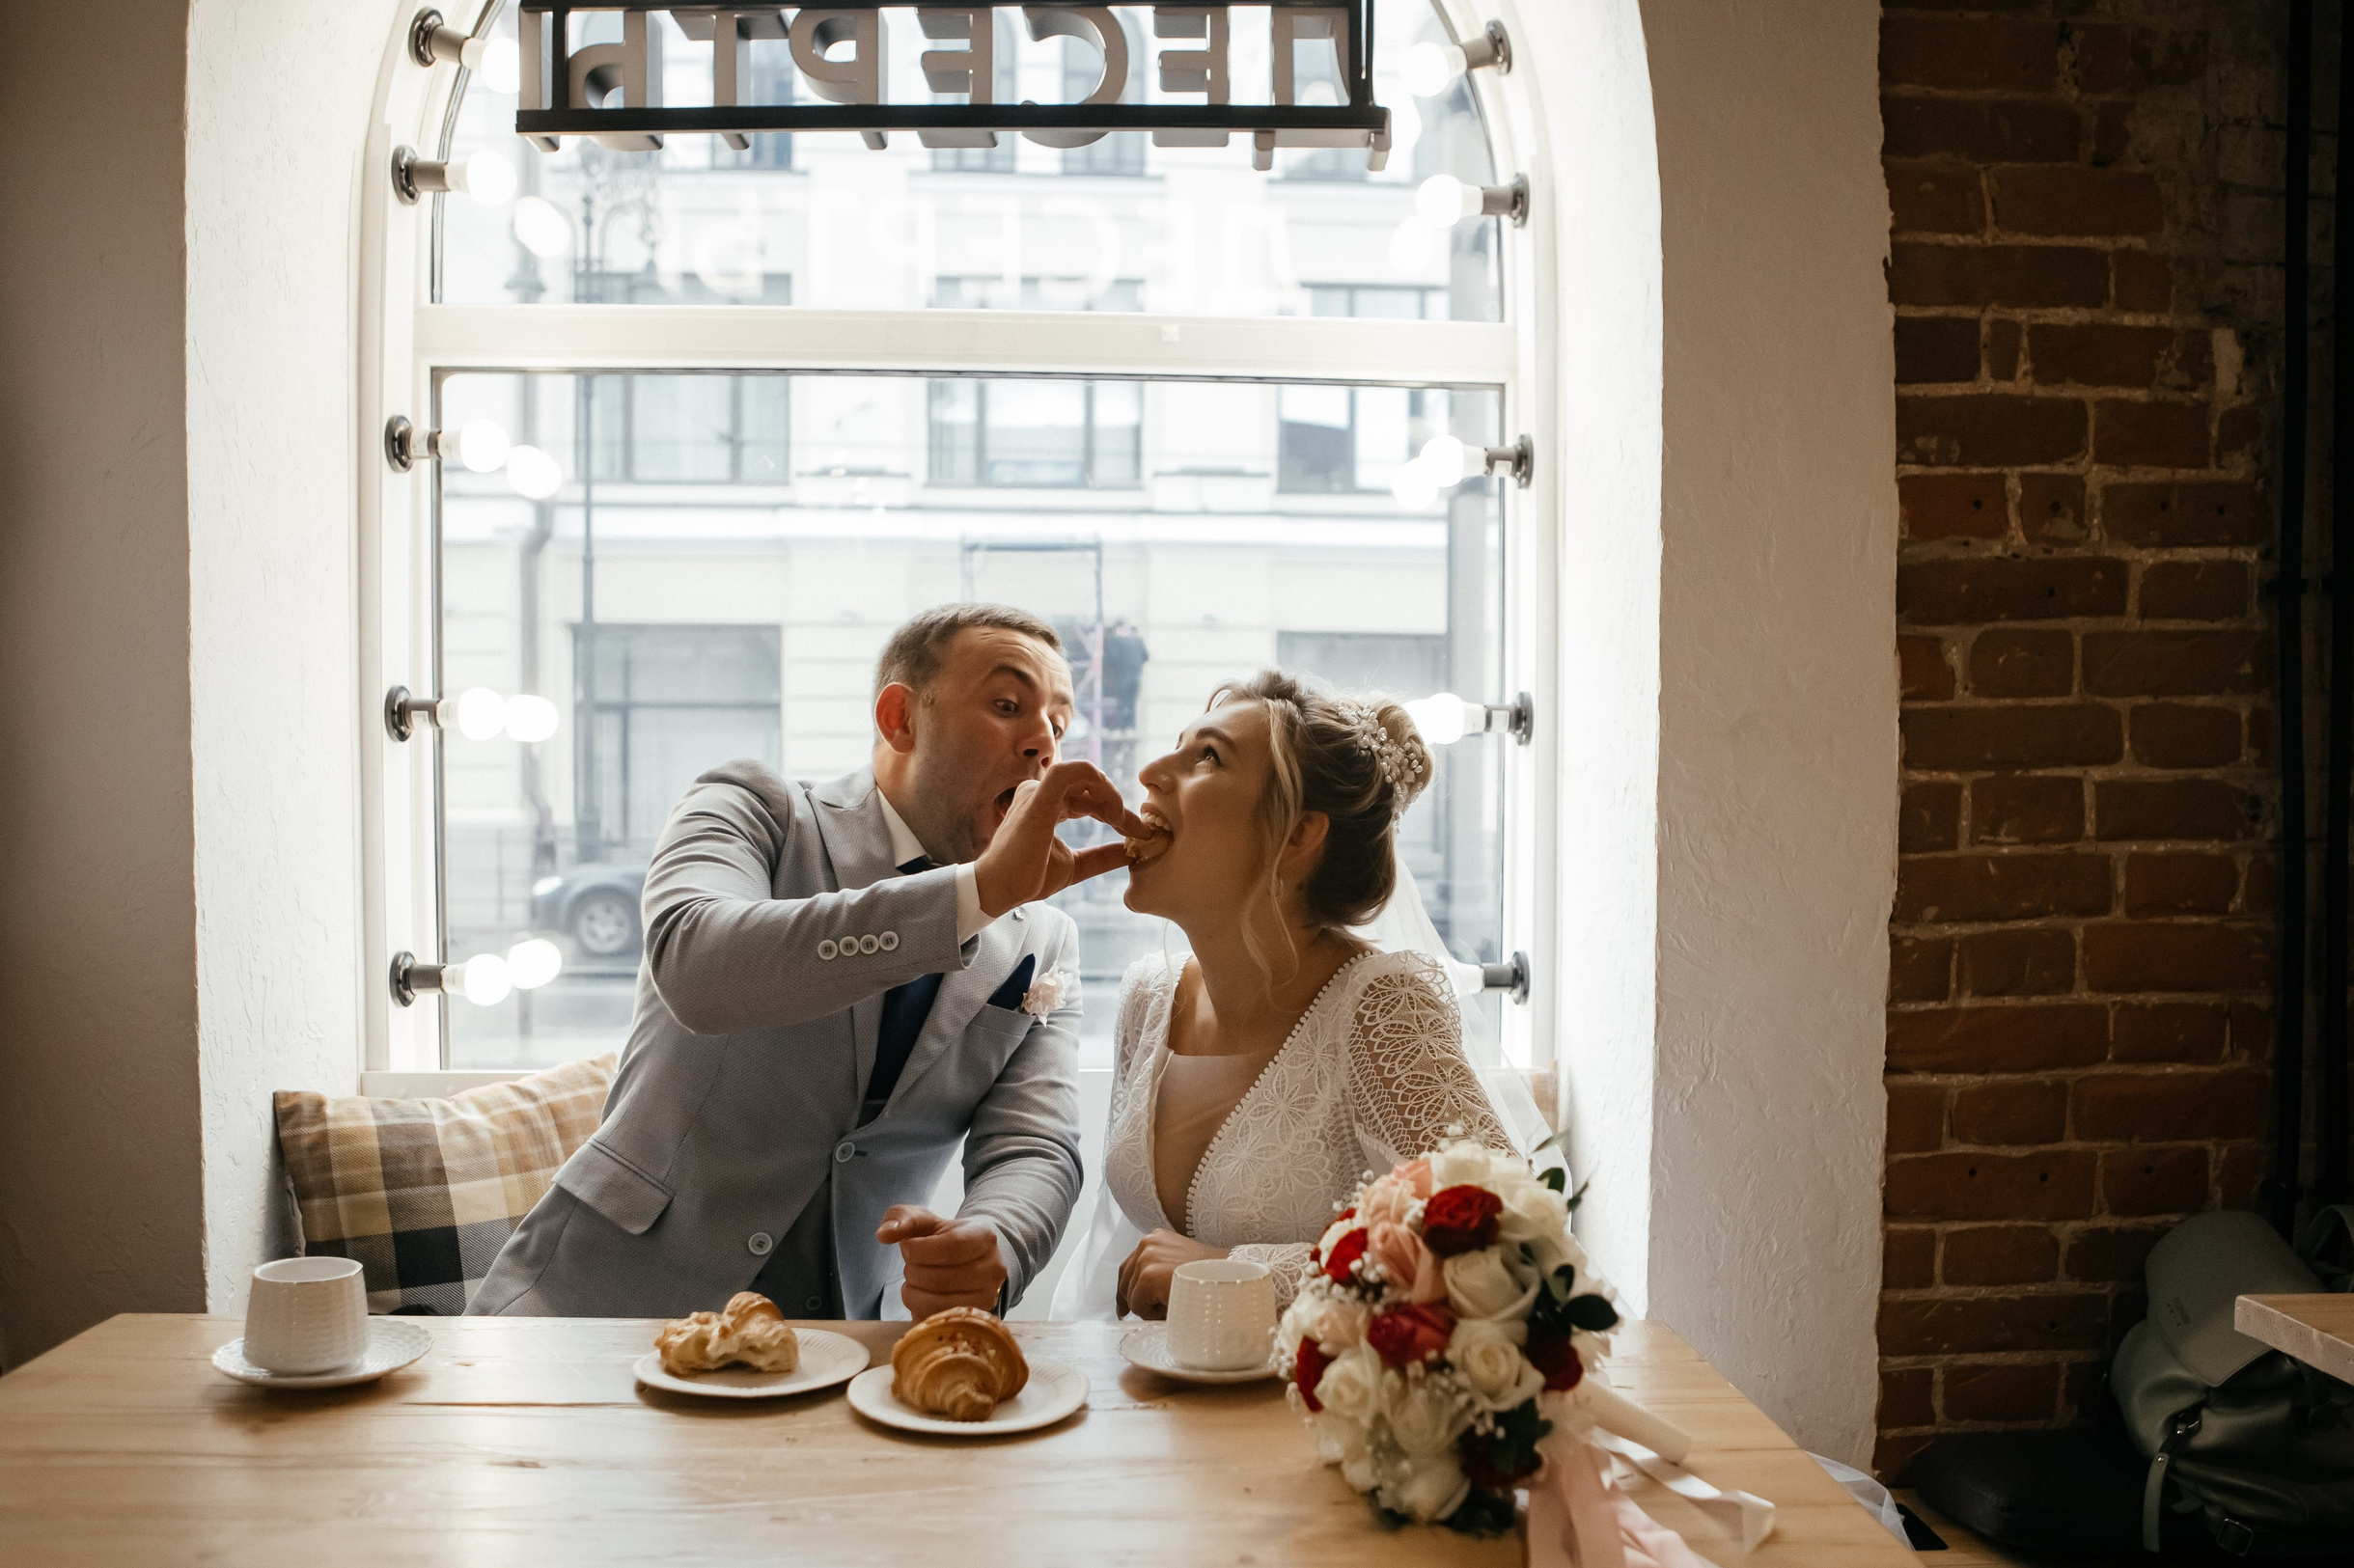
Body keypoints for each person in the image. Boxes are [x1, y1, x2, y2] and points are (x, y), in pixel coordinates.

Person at [472, 604, 1145, 1321]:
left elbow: (1033, 1144)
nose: (1045, 742)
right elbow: (698, 964)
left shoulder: (1045, 937)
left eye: (1060, 723)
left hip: (839, 1347)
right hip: (598, 1311)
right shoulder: (752, 807)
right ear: (898, 718)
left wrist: (997, 1240)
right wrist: (972, 896)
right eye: (1008, 705)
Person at [1053, 670, 1511, 1321]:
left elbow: (1497, 1241)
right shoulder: (1149, 996)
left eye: (1206, 756)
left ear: (1296, 835)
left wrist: (1242, 1275)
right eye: (1175, 747)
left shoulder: (1382, 1005)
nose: (1151, 770)